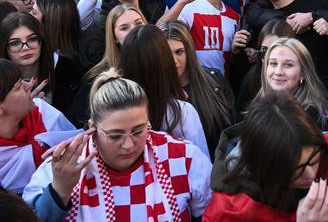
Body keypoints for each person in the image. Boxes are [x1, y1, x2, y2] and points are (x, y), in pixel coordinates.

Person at [23, 70, 213, 220]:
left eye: (138, 131)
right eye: (115, 136)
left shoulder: (183, 157)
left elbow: (211, 214)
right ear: (92, 128)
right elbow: (31, 217)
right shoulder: (64, 166)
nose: (129, 145)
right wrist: (60, 190)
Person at [203, 91, 328, 221]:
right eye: (297, 169)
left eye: (314, 160)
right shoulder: (230, 211)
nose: (311, 174)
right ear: (266, 167)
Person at [117, 25, 210, 157]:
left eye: (179, 52)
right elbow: (200, 165)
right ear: (165, 61)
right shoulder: (182, 113)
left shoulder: (112, 110)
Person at [158, 20, 234, 156]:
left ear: (189, 51)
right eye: (166, 54)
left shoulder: (214, 81)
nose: (173, 60)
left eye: (179, 52)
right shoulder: (155, 91)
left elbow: (231, 132)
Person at [0, 59, 76, 194]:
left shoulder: (42, 111)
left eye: (22, 80)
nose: (28, 86)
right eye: (18, 87)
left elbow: (80, 148)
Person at [160, 0, 241, 75]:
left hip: (225, 87)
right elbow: (159, 31)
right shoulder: (188, 9)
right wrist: (182, 1)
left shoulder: (234, 17)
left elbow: (231, 60)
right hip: (196, 86)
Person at [258, 37, 328, 131]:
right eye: (273, 63)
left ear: (303, 73)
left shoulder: (311, 116)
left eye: (288, 65)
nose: (278, 72)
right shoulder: (260, 107)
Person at [0, 12, 55, 104]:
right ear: (4, 47)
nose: (25, 47)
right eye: (15, 43)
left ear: (42, 41)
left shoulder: (63, 69)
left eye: (32, 39)